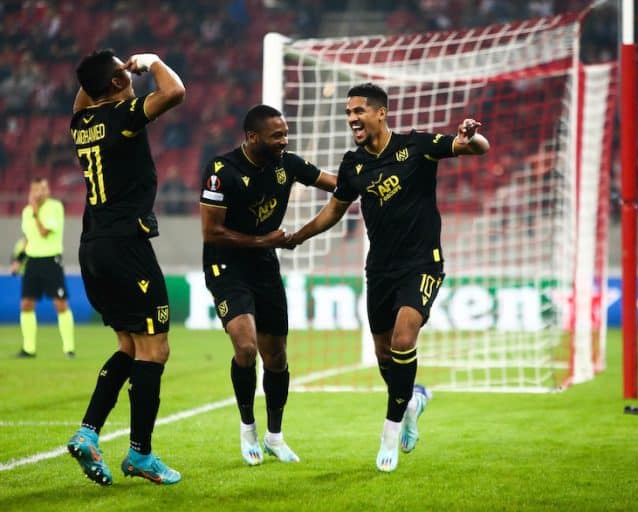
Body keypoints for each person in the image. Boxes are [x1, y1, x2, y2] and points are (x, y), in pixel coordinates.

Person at [286, 83, 490, 472]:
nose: (352, 119)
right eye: (348, 113)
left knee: (403, 338)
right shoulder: (353, 164)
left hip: (422, 264)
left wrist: (470, 136)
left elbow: (477, 148)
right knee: (384, 355)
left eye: (358, 111)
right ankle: (412, 402)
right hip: (379, 268)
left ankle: (390, 432)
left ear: (381, 113)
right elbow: (335, 210)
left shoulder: (416, 146)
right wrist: (299, 236)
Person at [66, 49, 185, 486]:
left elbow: (85, 96)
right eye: (123, 71)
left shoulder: (81, 123)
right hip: (126, 247)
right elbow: (175, 92)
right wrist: (152, 62)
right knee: (155, 349)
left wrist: (106, 71)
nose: (130, 74)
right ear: (116, 83)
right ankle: (140, 454)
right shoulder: (122, 116)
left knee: (128, 346)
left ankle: (88, 431)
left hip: (92, 247)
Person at [200, 104, 336, 466]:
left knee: (276, 357)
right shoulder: (222, 171)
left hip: (264, 266)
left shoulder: (287, 165)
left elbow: (334, 182)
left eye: (286, 134)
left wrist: (370, 176)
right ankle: (248, 429)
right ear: (252, 137)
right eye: (277, 135)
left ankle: (275, 436)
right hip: (226, 265)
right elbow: (211, 232)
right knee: (246, 348)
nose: (284, 141)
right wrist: (264, 241)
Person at [11, 177, 75, 359]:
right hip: (32, 261)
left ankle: (69, 348)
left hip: (51, 260)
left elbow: (44, 232)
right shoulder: (26, 212)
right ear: (32, 191)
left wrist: (35, 211)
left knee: (60, 303)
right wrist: (18, 260)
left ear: (48, 190)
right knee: (26, 304)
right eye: (37, 189)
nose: (40, 192)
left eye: (43, 188)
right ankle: (29, 349)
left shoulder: (55, 207)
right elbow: (28, 238)